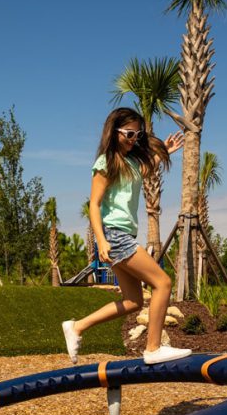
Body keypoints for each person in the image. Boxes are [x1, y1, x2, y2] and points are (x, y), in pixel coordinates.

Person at [62, 106, 191, 365]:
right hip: (115, 234)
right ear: (114, 132)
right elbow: (94, 204)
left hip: (124, 235)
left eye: (138, 135)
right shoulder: (105, 162)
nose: (134, 140)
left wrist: (163, 151)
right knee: (163, 283)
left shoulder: (131, 162)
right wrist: (101, 240)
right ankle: (153, 349)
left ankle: (76, 327)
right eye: (129, 134)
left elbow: (140, 174)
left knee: (132, 301)